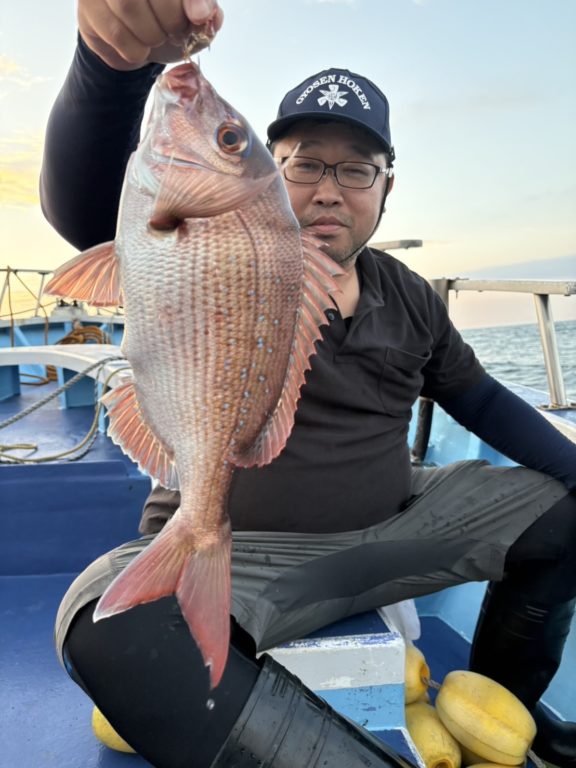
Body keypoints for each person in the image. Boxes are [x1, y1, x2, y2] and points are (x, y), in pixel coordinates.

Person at [41, 1, 576, 766]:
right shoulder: (199, 240)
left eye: (355, 169)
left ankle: (502, 711)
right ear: (273, 172)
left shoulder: (410, 295)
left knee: (563, 512)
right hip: (248, 554)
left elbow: (480, 399)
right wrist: (109, 63)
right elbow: (85, 202)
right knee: (107, 628)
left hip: (393, 539)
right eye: (304, 163)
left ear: (386, 187)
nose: (329, 190)